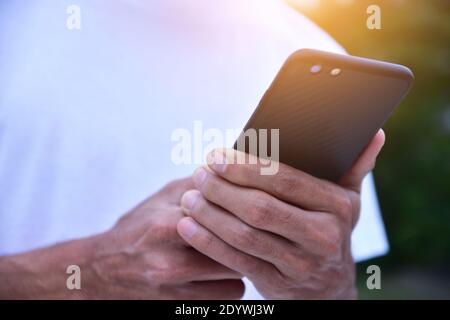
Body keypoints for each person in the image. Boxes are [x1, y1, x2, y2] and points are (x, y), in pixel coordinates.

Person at [0, 0, 388, 299]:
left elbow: (337, 288)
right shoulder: (16, 23)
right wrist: (87, 276)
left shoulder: (316, 51)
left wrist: (329, 288)